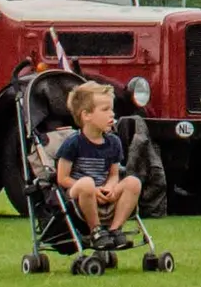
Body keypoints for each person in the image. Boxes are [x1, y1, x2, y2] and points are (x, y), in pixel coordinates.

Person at [49, 80, 143, 235]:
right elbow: (62, 179)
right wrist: (93, 189)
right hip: (79, 197)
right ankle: (96, 230)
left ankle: (115, 230)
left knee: (133, 183)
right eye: (105, 110)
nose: (112, 114)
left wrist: (110, 187)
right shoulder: (73, 143)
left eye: (112, 109)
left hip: (104, 195)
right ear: (86, 115)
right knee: (87, 183)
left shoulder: (114, 142)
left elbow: (113, 174)